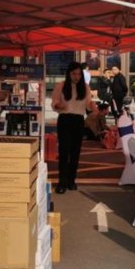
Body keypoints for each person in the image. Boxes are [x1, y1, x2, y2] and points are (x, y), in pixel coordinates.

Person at [52, 62, 94, 194]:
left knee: (75, 151)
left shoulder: (85, 87)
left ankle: (71, 181)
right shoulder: (61, 86)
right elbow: (54, 103)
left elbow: (88, 104)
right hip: (64, 119)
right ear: (68, 74)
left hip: (78, 120)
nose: (77, 77)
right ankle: (62, 182)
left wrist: (93, 106)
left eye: (79, 74)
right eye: (74, 74)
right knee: (64, 151)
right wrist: (58, 106)